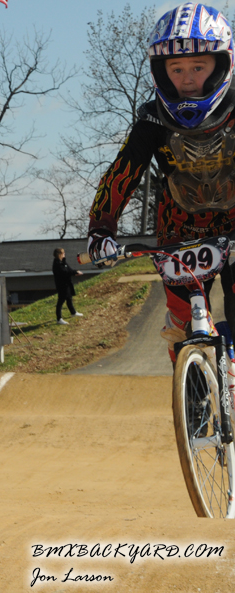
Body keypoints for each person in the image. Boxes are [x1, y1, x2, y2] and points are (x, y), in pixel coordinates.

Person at [86, 3, 235, 361]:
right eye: (176, 69)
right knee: (182, 323)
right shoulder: (152, 120)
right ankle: (192, 385)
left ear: (222, 65)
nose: (187, 79)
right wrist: (101, 229)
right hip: (179, 229)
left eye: (198, 67)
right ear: (161, 73)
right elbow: (122, 172)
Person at [52, 248, 84, 325]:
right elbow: (64, 272)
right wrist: (74, 272)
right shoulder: (57, 264)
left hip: (67, 284)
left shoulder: (63, 262)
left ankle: (73, 312)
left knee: (69, 298)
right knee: (61, 300)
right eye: (63, 253)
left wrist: (75, 272)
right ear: (59, 254)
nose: (64, 254)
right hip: (61, 285)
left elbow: (69, 269)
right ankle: (59, 319)